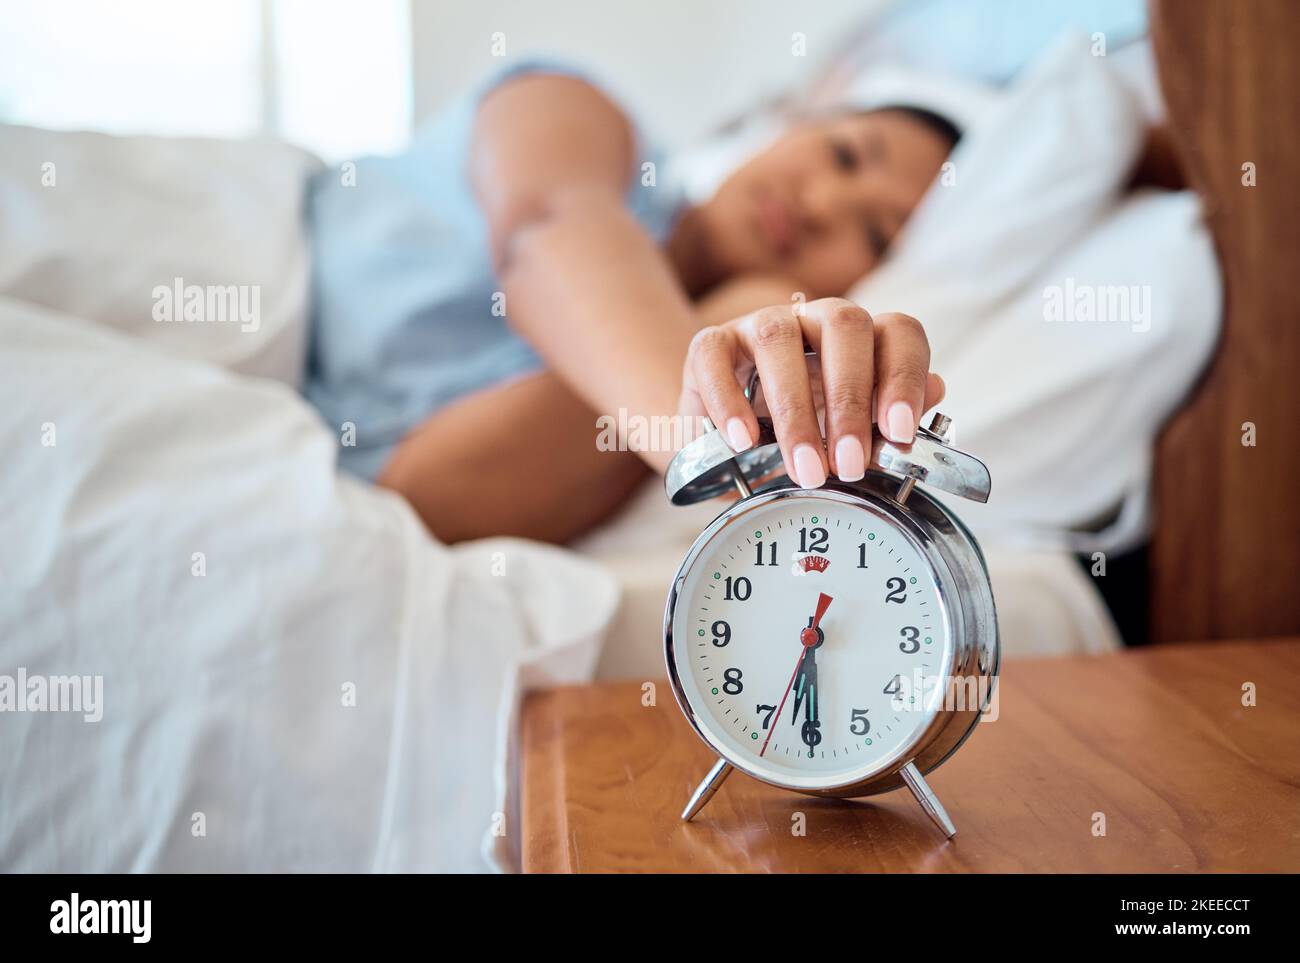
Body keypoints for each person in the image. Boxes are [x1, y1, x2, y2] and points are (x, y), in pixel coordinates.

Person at [304, 64, 956, 543]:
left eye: (875, 234)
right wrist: (715, 429)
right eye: (841, 155)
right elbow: (544, 227)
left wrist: (737, 332)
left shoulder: (662, 379)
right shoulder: (575, 109)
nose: (819, 205)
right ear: (793, 125)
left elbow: (420, 499)